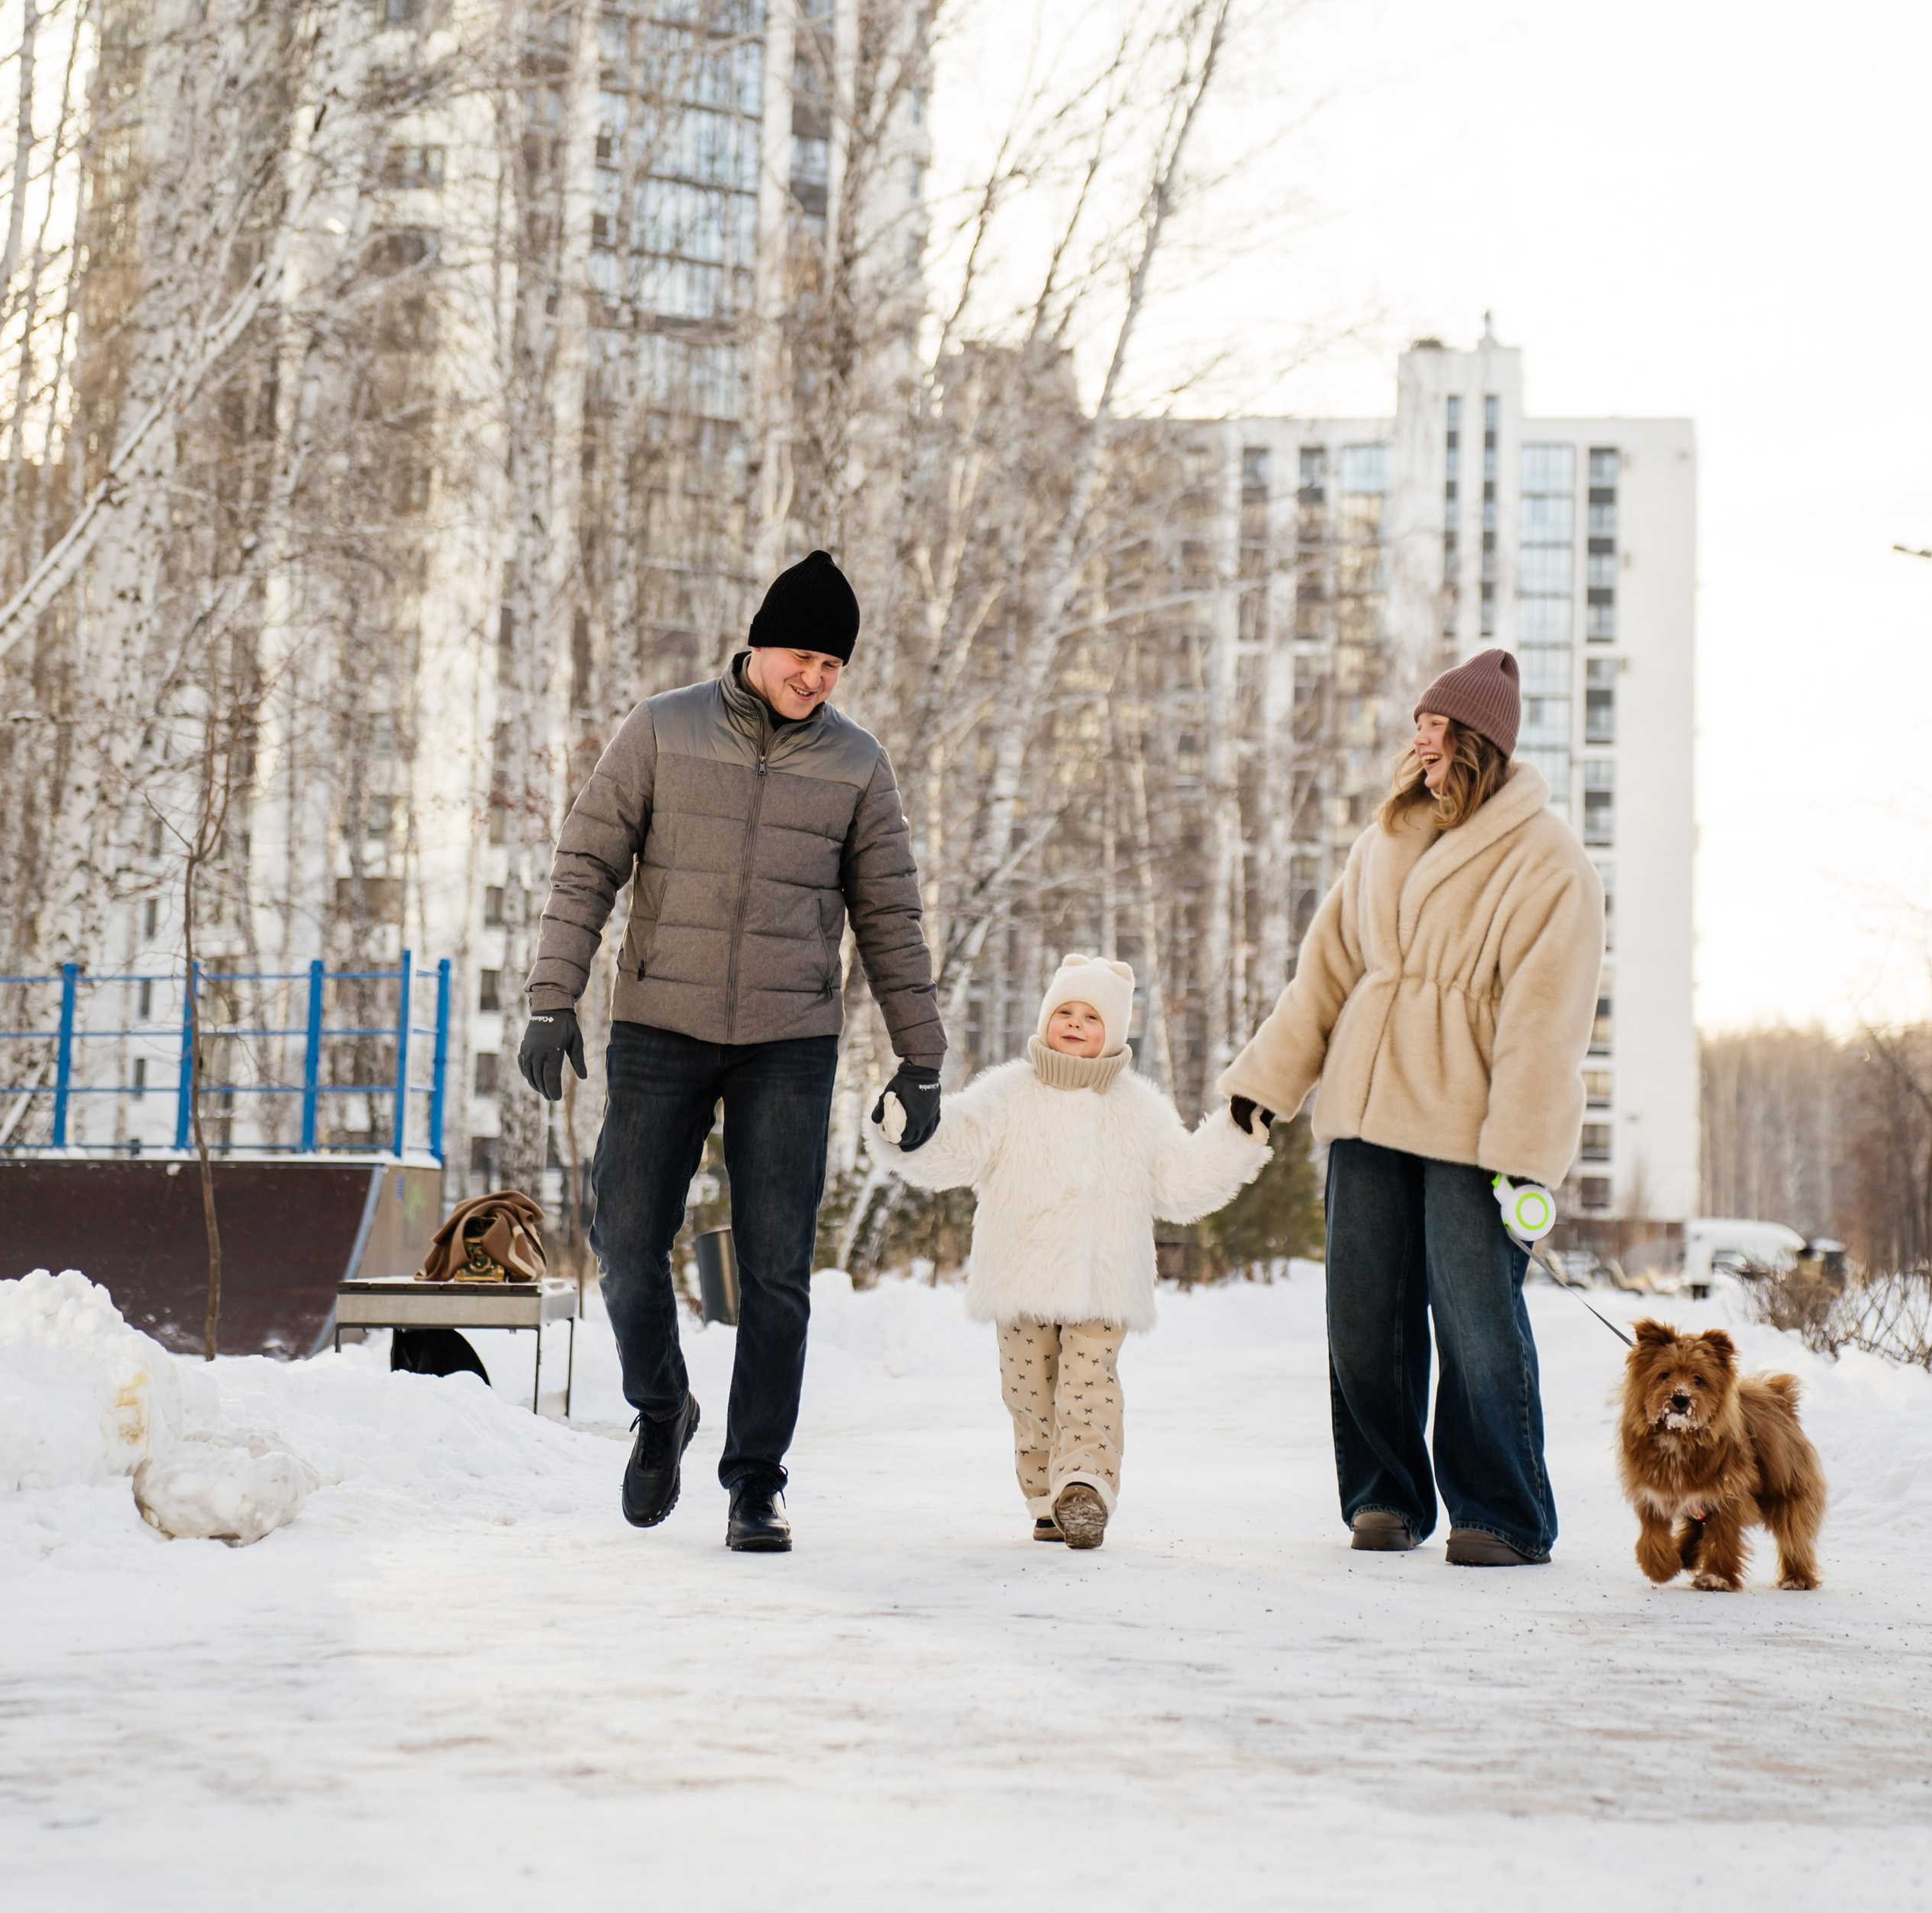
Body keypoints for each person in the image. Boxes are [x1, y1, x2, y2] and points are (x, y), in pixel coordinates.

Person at [516, 548, 944, 1554]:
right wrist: (551, 1000)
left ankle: (756, 1481)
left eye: (834, 667)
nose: (817, 679)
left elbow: (890, 913)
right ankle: (662, 1406)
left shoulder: (857, 763)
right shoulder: (662, 728)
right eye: (803, 657)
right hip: (660, 1024)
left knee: (777, 1270)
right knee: (625, 1246)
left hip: (788, 1041)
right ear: (757, 646)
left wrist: (920, 1057)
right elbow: (586, 864)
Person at [1221, 648, 1605, 1567]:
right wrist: (1262, 1082)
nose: (1418, 737)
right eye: (1419, 724)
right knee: (1362, 1317)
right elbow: (1327, 973)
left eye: (1434, 724)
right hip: (1362, 1106)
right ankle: (1384, 1495)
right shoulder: (1386, 836)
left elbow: (1543, 1020)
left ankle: (1503, 1512)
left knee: (1476, 1319)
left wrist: (1521, 1151)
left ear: (1476, 737)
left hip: (1471, 1127)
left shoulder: (1548, 857)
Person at [870, 952, 1269, 1550]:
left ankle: (1085, 1487)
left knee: (1089, 1387)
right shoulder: (1007, 1094)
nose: (1076, 1023)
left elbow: (1183, 1183)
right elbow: (954, 1146)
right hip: (1020, 1281)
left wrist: (1235, 1136)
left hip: (1102, 1284)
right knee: (1028, 1394)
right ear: (1044, 1018)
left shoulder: (1139, 1107)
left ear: (1114, 1031)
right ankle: (1043, 1497)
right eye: (1065, 1011)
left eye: (1092, 1015)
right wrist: (906, 1130)